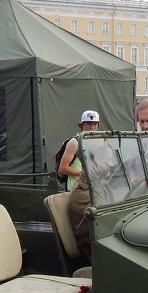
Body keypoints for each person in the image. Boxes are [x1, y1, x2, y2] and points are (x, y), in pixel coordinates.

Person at [58, 110, 100, 258]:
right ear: (81, 126)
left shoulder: (95, 142)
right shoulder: (75, 142)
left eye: (94, 124)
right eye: (88, 124)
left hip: (91, 187)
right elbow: (63, 167)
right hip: (77, 189)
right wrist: (84, 175)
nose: (92, 127)